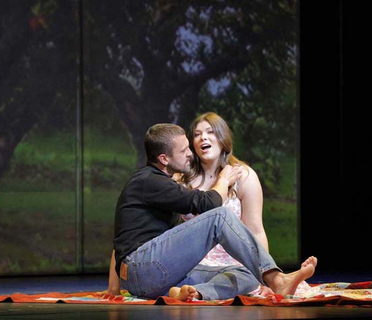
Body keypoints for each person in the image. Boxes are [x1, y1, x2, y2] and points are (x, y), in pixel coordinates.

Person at [109, 122, 316, 301]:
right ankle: (277, 280)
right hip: (143, 269)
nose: (190, 153)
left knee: (248, 275)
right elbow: (209, 204)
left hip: (157, 276)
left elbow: (124, 237)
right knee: (220, 215)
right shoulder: (150, 181)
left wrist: (114, 289)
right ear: (164, 159)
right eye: (184, 151)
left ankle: (194, 293)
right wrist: (224, 181)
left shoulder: (163, 182)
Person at [168, 112, 315, 300]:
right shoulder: (181, 179)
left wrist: (265, 279)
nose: (203, 137)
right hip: (193, 264)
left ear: (223, 138)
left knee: (248, 278)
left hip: (234, 267)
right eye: (197, 134)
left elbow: (256, 230)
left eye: (210, 132)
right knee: (183, 275)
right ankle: (188, 288)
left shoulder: (244, 176)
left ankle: (195, 292)